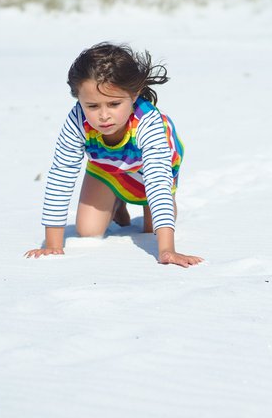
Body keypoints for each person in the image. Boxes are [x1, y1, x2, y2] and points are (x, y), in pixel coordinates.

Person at [25, 42, 203, 267]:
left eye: (114, 104)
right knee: (87, 231)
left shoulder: (148, 123)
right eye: (92, 106)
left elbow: (157, 181)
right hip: (106, 168)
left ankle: (128, 203)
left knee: (152, 231)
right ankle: (115, 201)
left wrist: (167, 250)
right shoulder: (77, 121)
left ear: (135, 94)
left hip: (150, 169)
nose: (104, 116)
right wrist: (52, 244)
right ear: (78, 98)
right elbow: (62, 173)